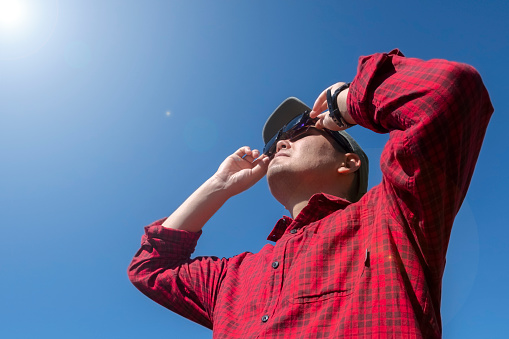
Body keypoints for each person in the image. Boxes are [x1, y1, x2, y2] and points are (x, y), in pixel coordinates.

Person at [128, 49, 493, 338]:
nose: (283, 141)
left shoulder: (394, 216)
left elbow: (450, 93)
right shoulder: (233, 279)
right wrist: (218, 188)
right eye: (278, 140)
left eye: (304, 129)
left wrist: (347, 104)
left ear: (348, 162)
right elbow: (150, 268)